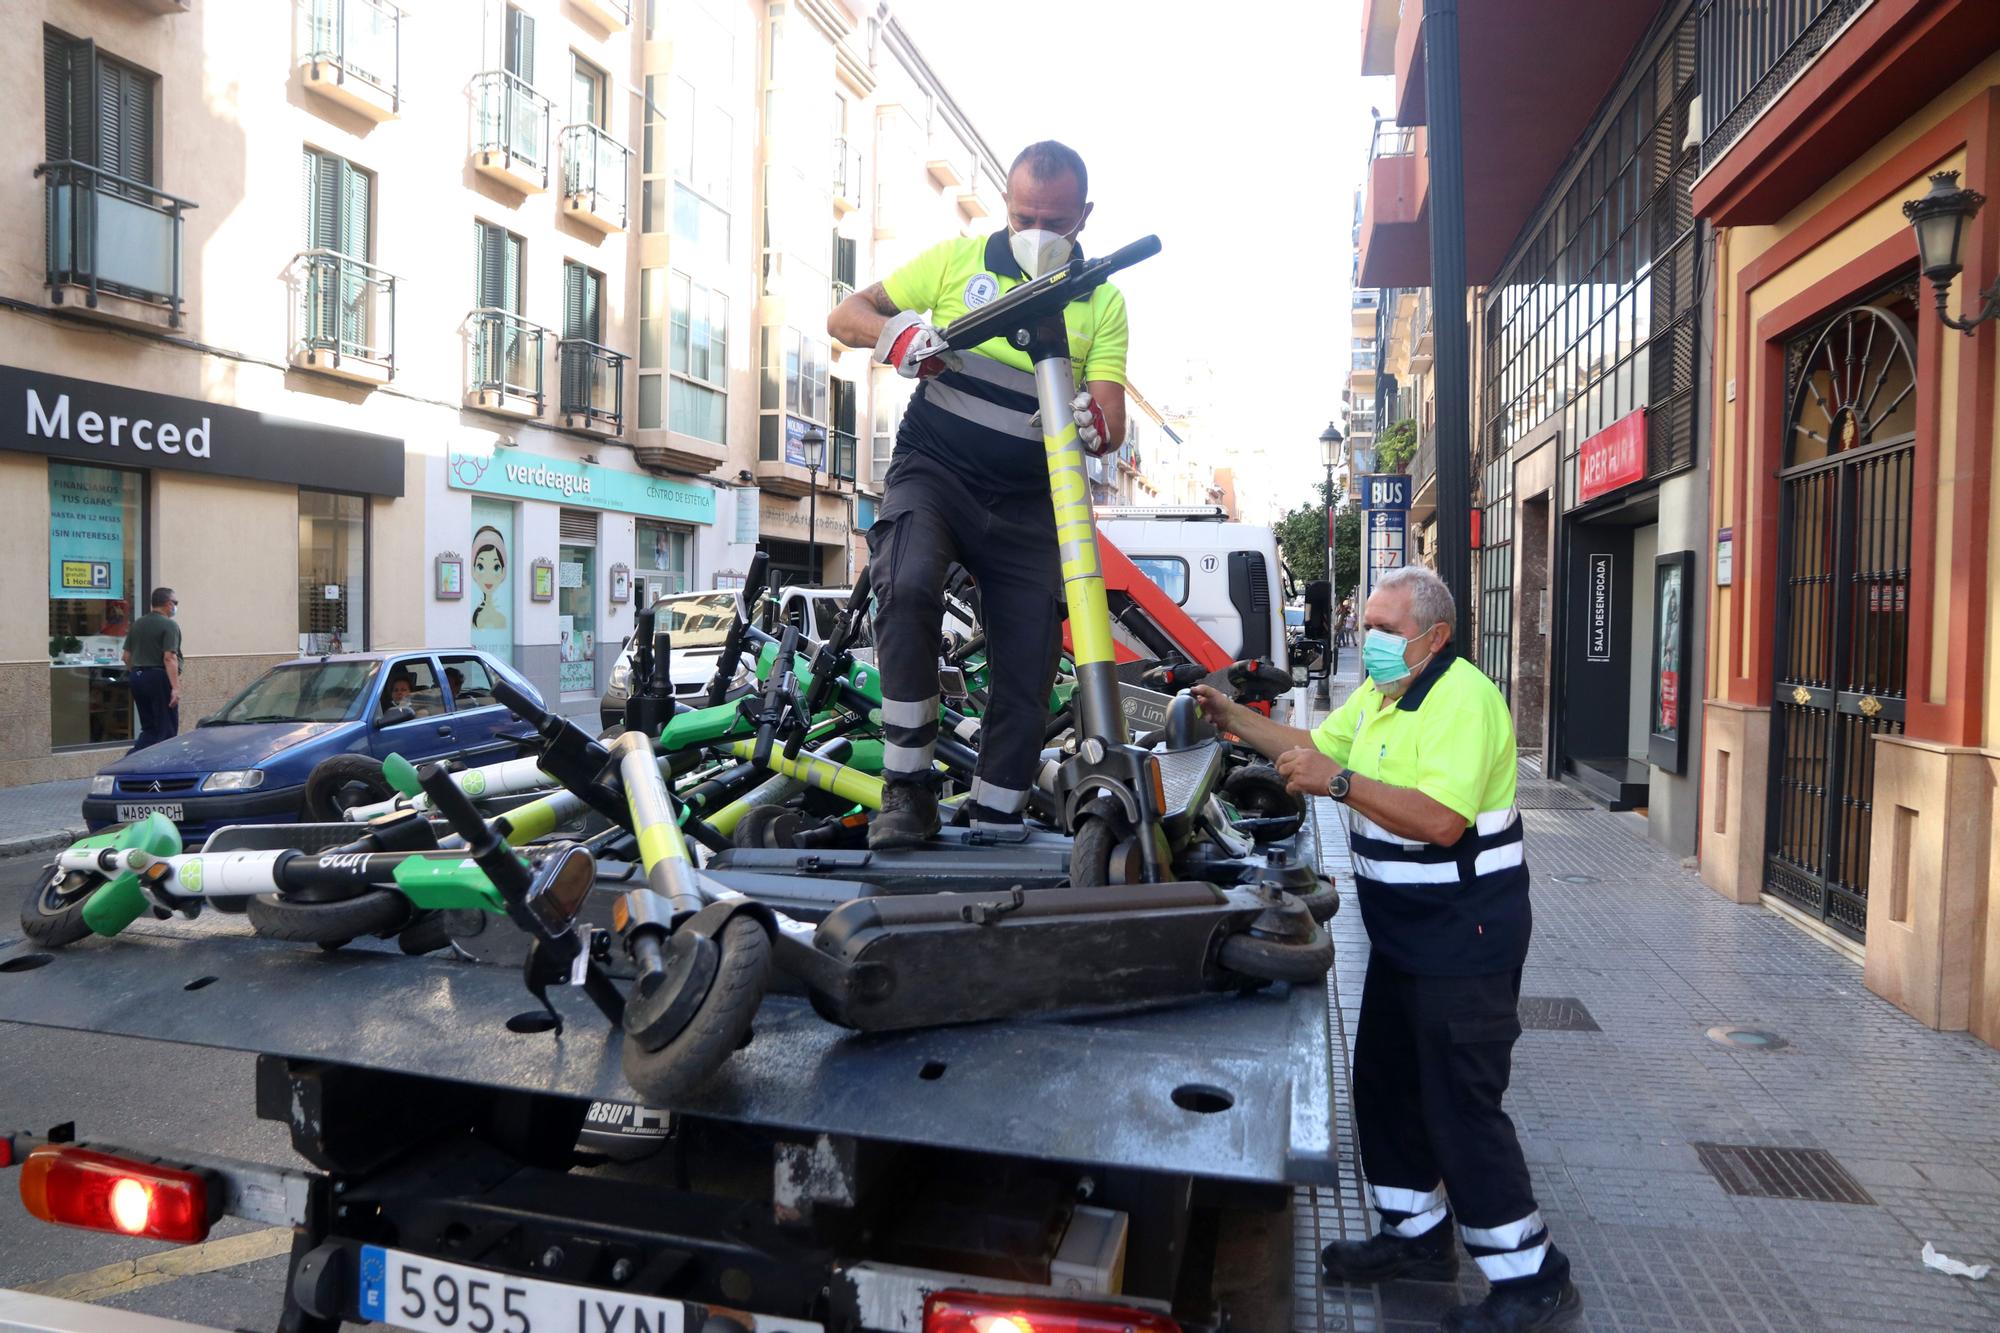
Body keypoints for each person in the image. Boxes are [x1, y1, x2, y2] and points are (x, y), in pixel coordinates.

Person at [1191, 565, 1580, 1333]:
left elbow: (1440, 818)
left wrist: (1338, 785)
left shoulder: (1463, 699)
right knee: (1387, 1086)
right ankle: (1416, 1236)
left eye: (1387, 629)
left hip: (1465, 938)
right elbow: (1308, 744)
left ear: (1434, 638)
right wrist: (1235, 717)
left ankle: (1533, 1277)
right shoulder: (1381, 694)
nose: (1369, 641)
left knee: (1460, 1105)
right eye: (1366, 624)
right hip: (1406, 939)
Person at [828, 140, 1128, 846]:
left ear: (1084, 217)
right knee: (901, 582)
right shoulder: (957, 262)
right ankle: (907, 792)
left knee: (1027, 668)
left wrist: (1093, 421)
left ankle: (997, 816)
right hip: (938, 471)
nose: (1038, 234)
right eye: (1025, 216)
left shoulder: (1104, 299)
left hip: (1030, 497)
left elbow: (1110, 419)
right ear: (1006, 203)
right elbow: (847, 316)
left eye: (1055, 223)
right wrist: (896, 337)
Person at [122, 587, 182, 753]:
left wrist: (137, 673)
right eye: (175, 603)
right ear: (168, 604)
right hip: (158, 677)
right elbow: (169, 658)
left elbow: (126, 657)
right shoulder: (169, 625)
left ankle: (131, 762)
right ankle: (162, 769)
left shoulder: (138, 624)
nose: (175, 607)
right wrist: (175, 688)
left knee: (149, 729)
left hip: (137, 677)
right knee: (167, 730)